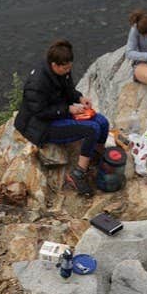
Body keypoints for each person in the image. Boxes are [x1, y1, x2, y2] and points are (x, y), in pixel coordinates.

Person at [13, 39, 110, 196]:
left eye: (69, 67)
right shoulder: (37, 82)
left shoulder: (62, 71)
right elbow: (40, 112)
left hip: (59, 113)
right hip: (42, 126)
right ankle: (77, 174)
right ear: (54, 65)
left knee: (103, 122)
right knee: (92, 129)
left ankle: (97, 155)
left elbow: (68, 90)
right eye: (65, 68)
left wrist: (79, 98)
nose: (68, 71)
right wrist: (67, 109)